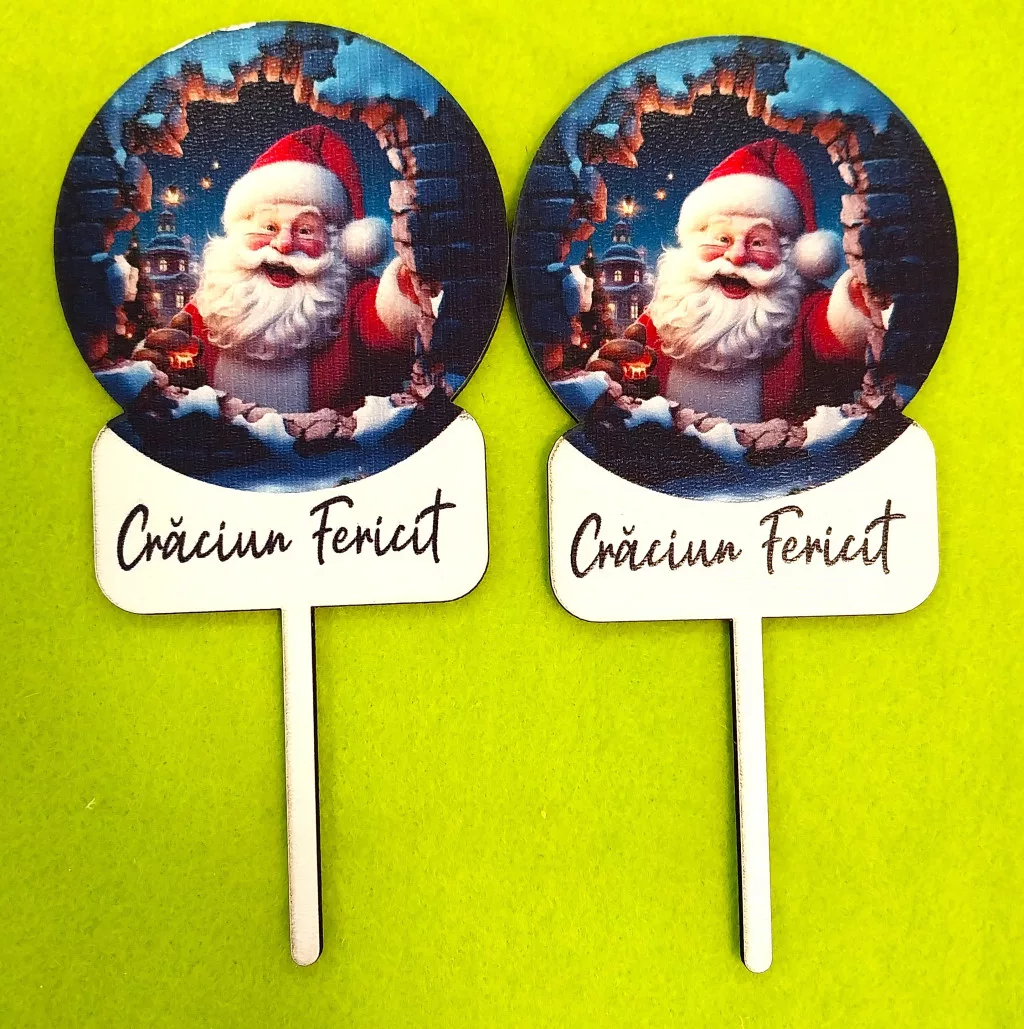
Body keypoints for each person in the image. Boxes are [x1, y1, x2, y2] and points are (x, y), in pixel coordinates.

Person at [603, 140, 874, 423]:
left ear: (790, 255)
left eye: (758, 242)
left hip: (768, 451)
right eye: (722, 238)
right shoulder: (672, 307)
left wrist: (860, 297)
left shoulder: (801, 310)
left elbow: (838, 334)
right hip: (667, 445)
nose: (737, 256)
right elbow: (629, 361)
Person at [182, 125, 422, 413]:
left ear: (339, 244)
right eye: (268, 226)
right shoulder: (215, 300)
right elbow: (176, 353)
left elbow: (387, 326)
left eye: (306, 230)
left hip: (324, 442)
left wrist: (410, 280)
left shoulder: (351, 300)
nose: (284, 244)